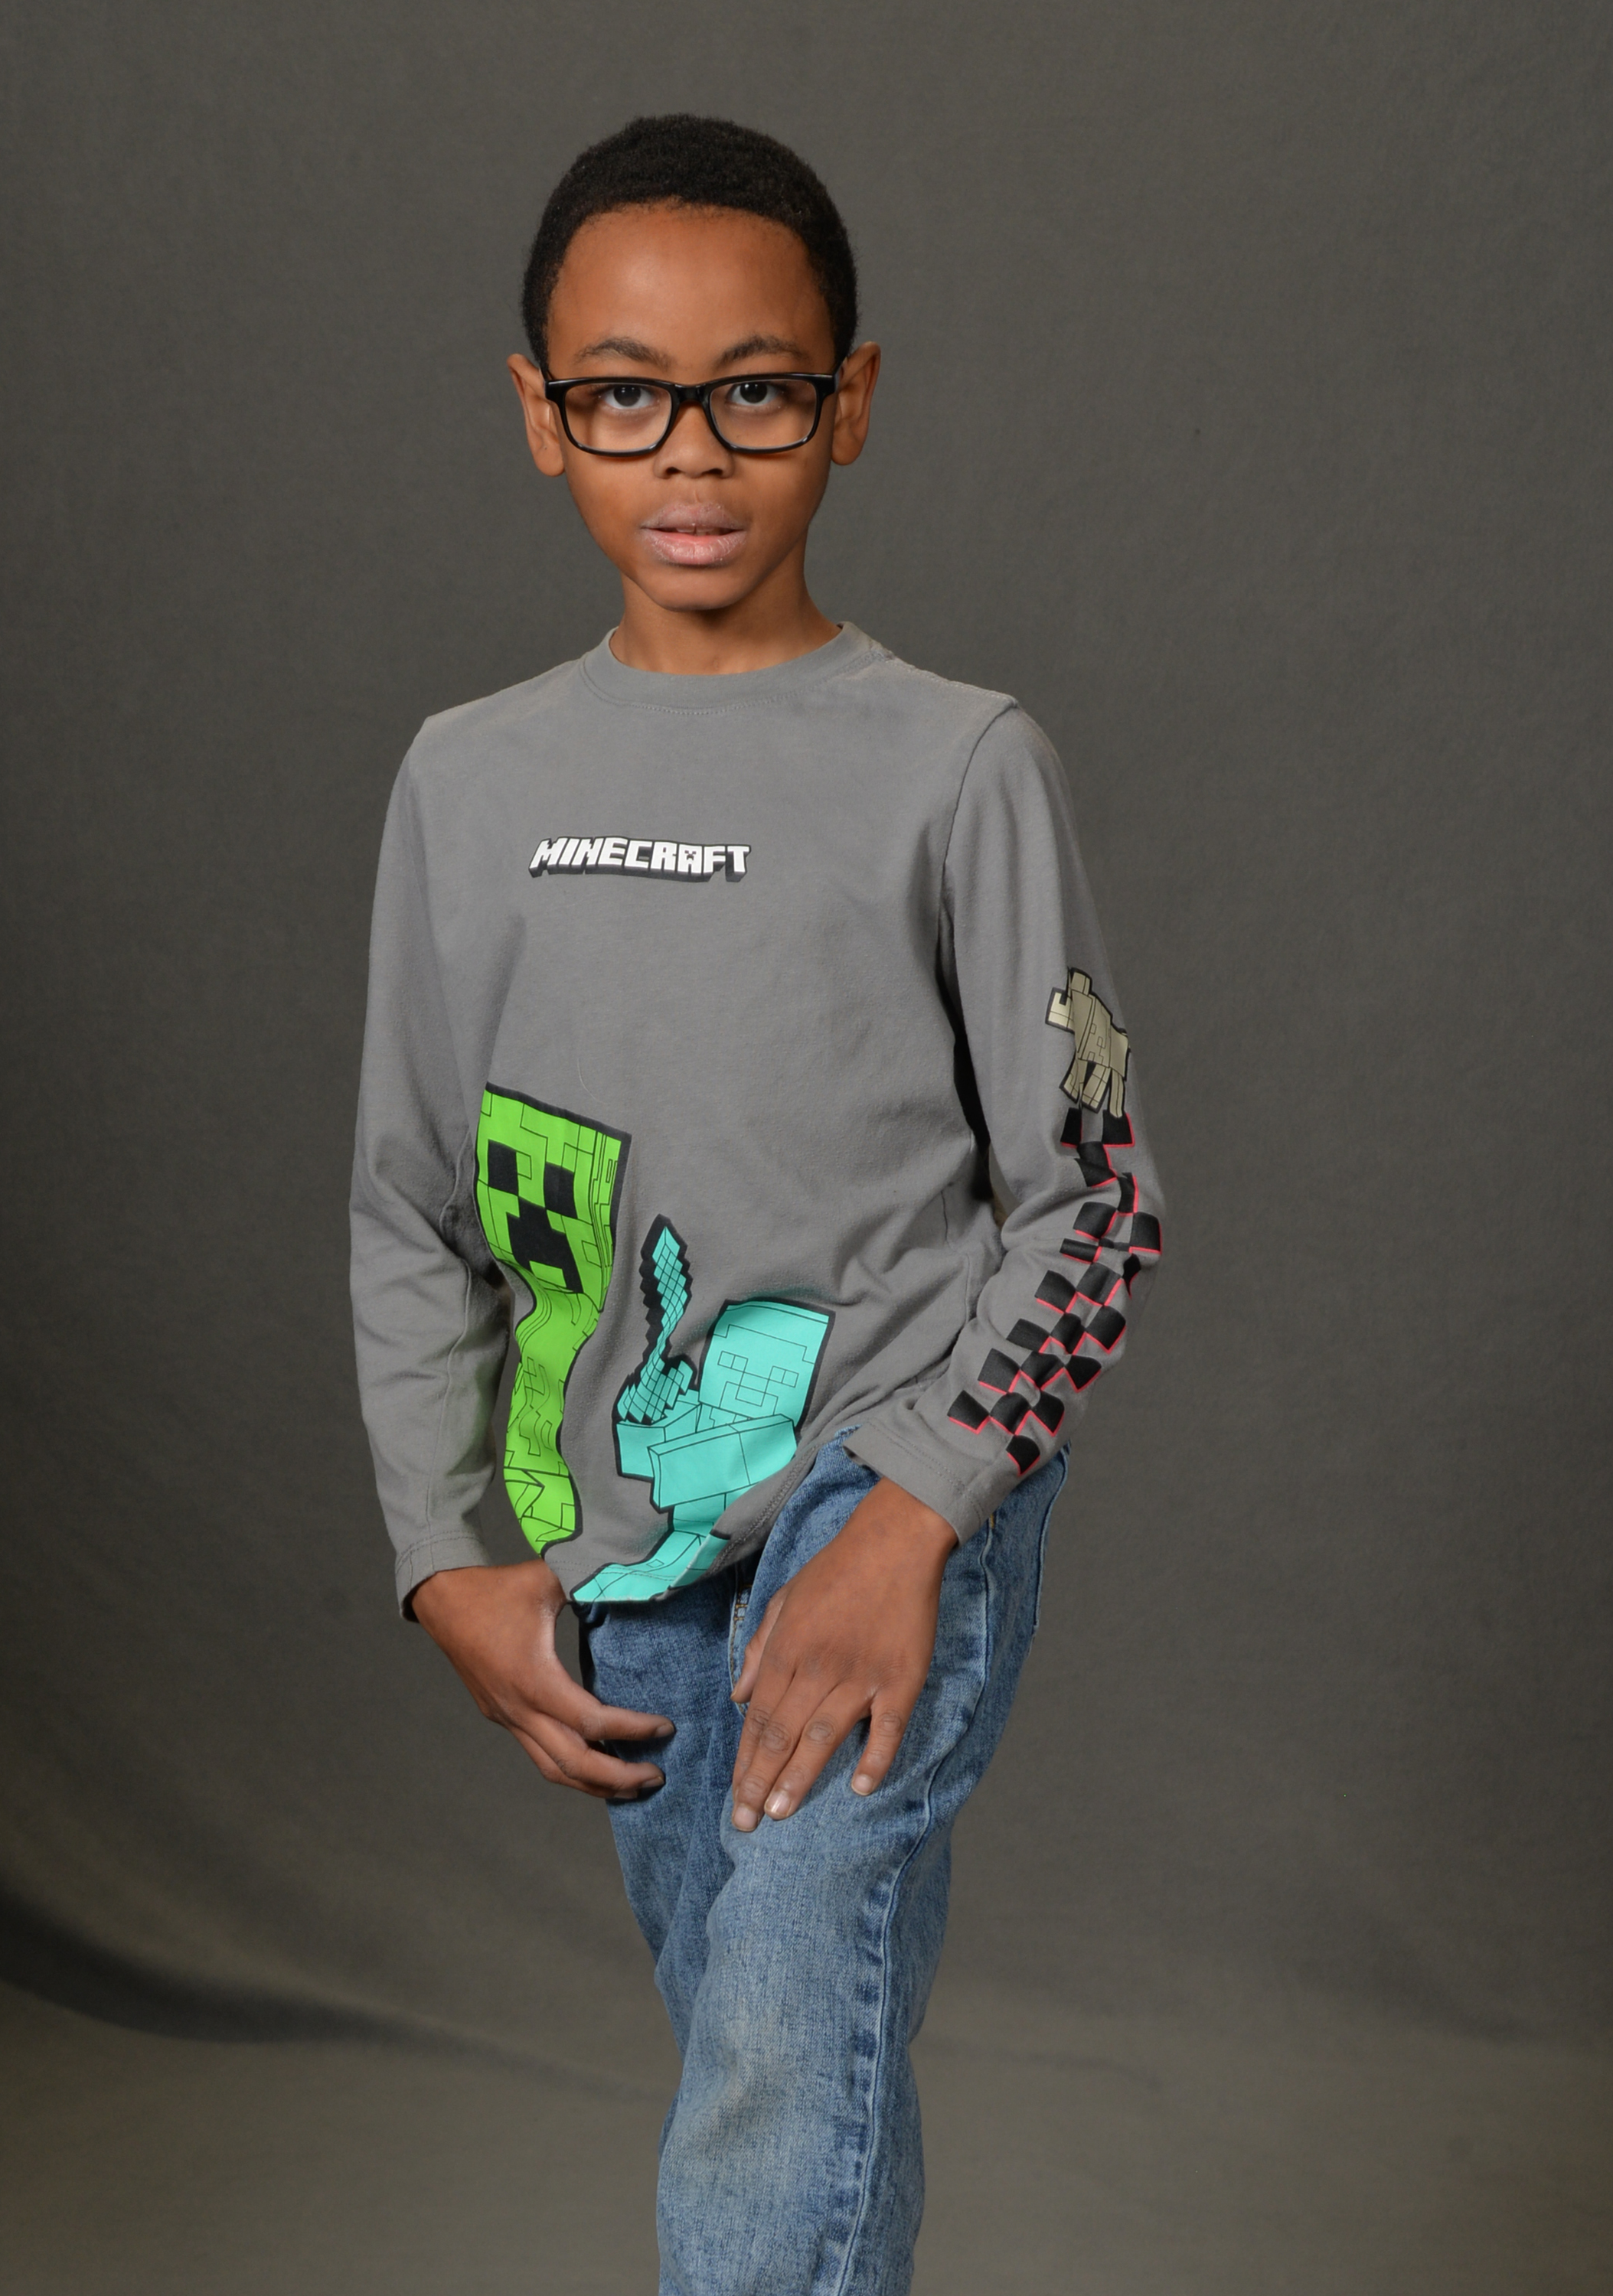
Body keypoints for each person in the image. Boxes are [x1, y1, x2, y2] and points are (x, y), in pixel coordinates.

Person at [350, 113, 1165, 2296]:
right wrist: (443, 1552)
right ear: (542, 414)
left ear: (851, 401)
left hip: (885, 1479)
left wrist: (919, 1516)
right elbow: (413, 1203)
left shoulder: (957, 766)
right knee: (769, 2046)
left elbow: (1096, 1210)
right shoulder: (467, 781)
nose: (692, 454)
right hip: (625, 1522)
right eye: (625, 395)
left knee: (781, 2050)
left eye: (759, 392)